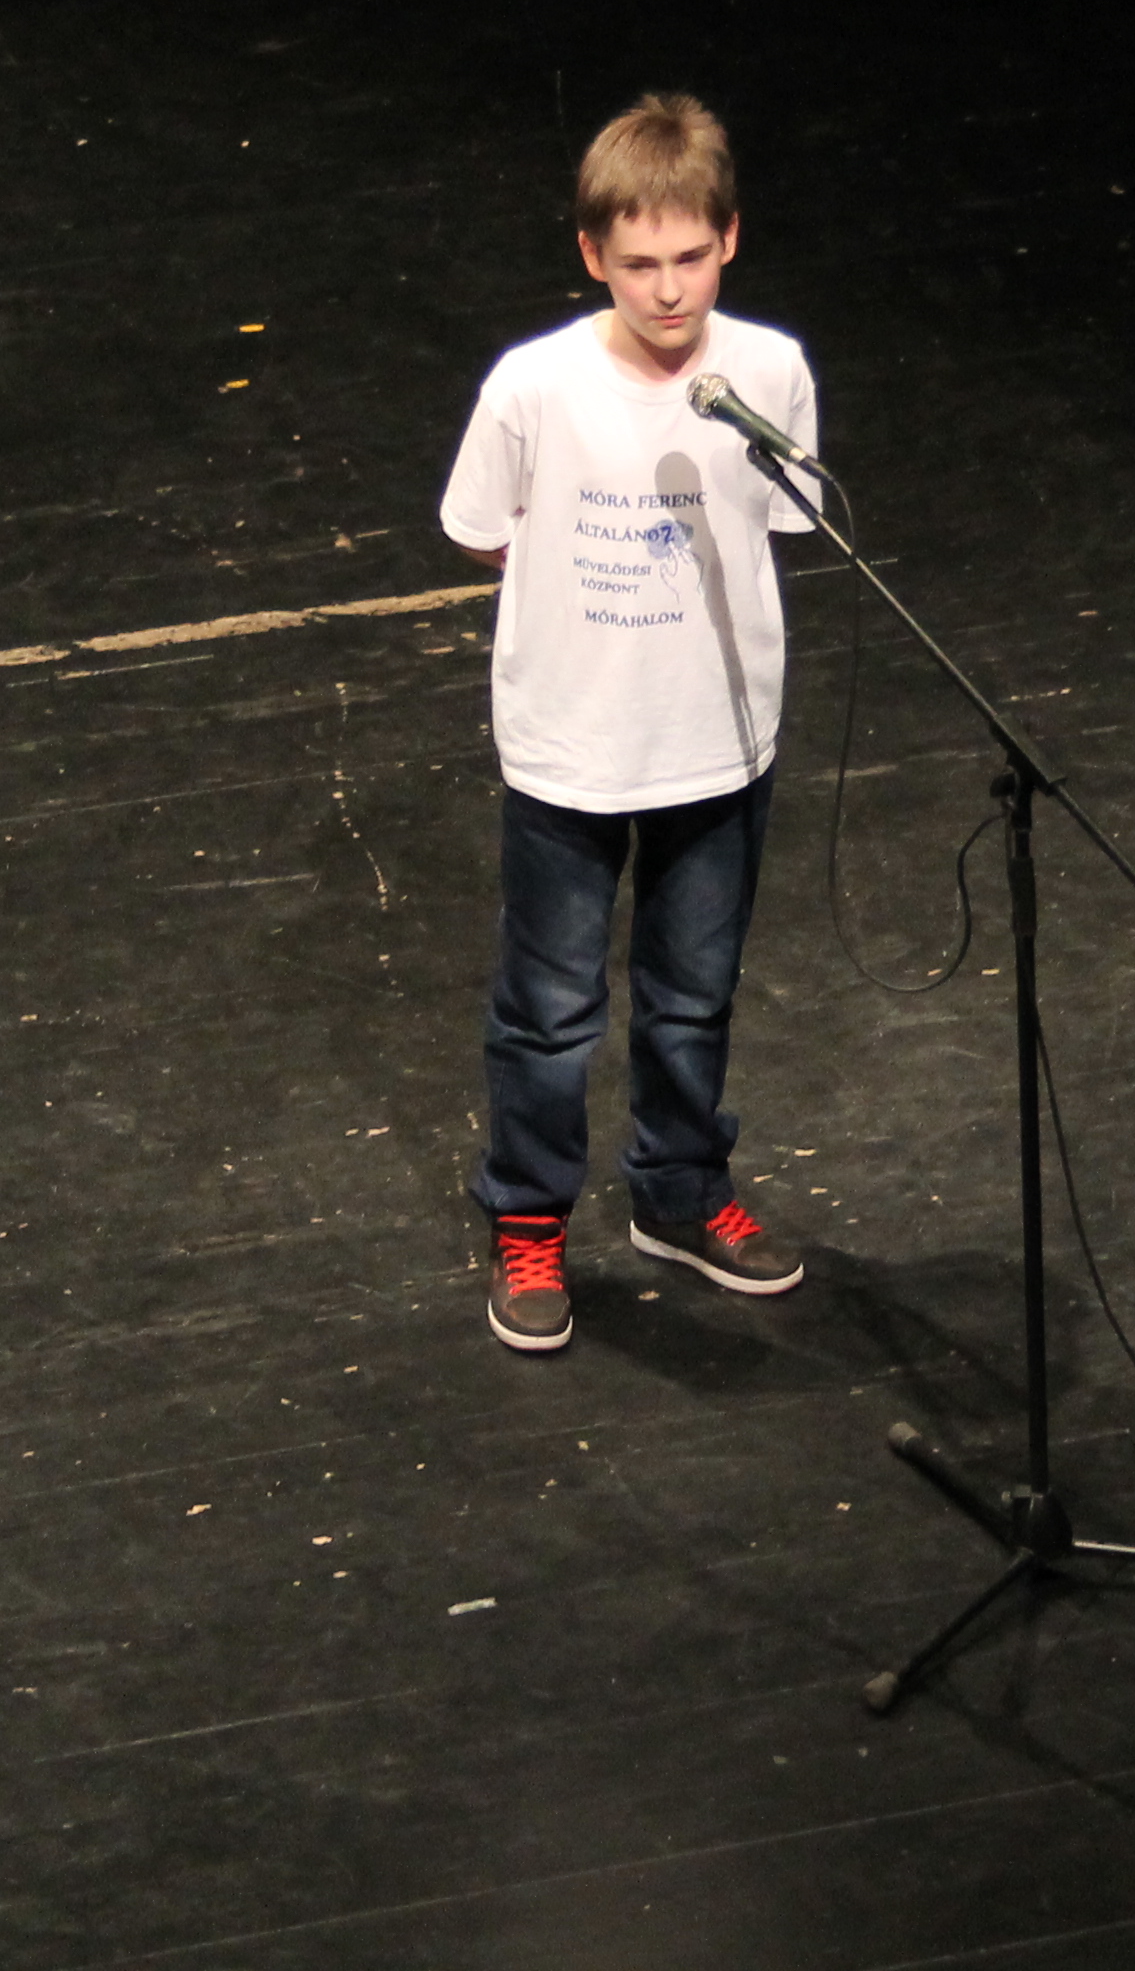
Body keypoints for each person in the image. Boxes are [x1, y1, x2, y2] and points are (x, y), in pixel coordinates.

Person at [438, 93, 823, 1352]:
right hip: (572, 751)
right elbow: (483, 531)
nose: (669, 290)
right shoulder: (535, 385)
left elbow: (777, 524)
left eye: (692, 258)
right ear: (593, 254)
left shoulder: (768, 371)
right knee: (550, 1009)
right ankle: (529, 1218)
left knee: (692, 993)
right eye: (640, 262)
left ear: (731, 239)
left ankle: (680, 1190)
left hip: (717, 742)